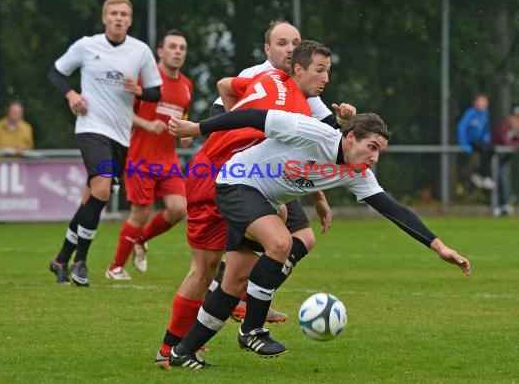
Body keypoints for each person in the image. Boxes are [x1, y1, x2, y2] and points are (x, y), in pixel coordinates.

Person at [167, 109, 472, 369]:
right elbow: (253, 116)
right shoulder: (310, 131)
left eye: (380, 152)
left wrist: (439, 246)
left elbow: (394, 210)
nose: (375, 158)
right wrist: (197, 128)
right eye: (372, 147)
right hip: (236, 183)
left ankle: (183, 352)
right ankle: (252, 331)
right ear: (350, 137)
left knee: (234, 281)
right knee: (281, 243)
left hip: (266, 202)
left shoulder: (357, 172)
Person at [154, 38, 355, 369]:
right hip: (220, 172)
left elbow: (225, 87)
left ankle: (213, 329)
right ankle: (177, 347)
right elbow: (302, 148)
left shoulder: (268, 78)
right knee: (205, 268)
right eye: (321, 71)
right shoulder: (295, 108)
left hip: (240, 173)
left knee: (256, 255)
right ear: (296, 66)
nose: (326, 78)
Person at [46, 0, 162, 286]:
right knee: (101, 189)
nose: (119, 18)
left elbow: (156, 92)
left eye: (124, 13)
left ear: (130, 20)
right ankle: (80, 262)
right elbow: (56, 73)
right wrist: (71, 95)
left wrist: (138, 90)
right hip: (91, 127)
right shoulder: (87, 45)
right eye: (113, 13)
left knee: (91, 198)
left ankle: (60, 259)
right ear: (104, 18)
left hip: (121, 135)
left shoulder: (140, 51)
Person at [105, 29, 194, 280]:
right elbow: (121, 113)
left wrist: (184, 135)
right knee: (141, 213)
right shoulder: (145, 81)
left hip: (167, 160)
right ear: (160, 51)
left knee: (179, 208)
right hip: (140, 157)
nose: (177, 52)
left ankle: (140, 239)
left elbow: (181, 120)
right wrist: (146, 124)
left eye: (182, 48)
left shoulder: (187, 86)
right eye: (172, 47)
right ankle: (115, 268)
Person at [457, 93, 495, 190]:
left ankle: (481, 175)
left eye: (484, 102)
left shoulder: (485, 113)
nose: (482, 103)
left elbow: (486, 129)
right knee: (484, 149)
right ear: (475, 102)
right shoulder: (470, 113)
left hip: (480, 141)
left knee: (490, 149)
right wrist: (464, 143)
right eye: (480, 101)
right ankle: (481, 175)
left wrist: (486, 139)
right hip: (471, 140)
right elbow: (462, 127)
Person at [491, 105, 519, 216]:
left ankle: (503, 205)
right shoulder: (503, 126)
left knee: (503, 181)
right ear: (511, 117)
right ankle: (497, 206)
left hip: (503, 159)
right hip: (493, 158)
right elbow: (505, 141)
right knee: (498, 182)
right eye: (516, 117)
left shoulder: (515, 129)